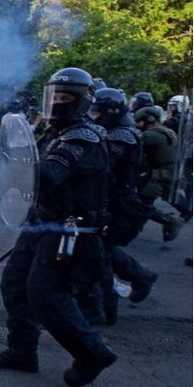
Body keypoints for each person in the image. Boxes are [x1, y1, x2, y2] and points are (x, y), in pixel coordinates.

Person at [0, 67, 116, 386]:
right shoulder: (56, 133)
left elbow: (48, 175)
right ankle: (22, 352)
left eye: (65, 97)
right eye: (53, 95)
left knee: (46, 294)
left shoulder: (84, 137)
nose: (57, 102)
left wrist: (11, 167)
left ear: (82, 100)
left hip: (69, 230)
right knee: (14, 284)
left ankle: (91, 352)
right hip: (42, 223)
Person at [75, 88, 156, 325]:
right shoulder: (115, 131)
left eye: (97, 112)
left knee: (99, 254)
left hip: (118, 203)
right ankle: (139, 276)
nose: (94, 116)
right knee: (102, 249)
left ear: (110, 110)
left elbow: (99, 164)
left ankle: (106, 309)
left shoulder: (122, 136)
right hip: (106, 199)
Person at [134, 106, 187, 241]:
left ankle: (170, 221)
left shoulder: (150, 135)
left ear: (148, 120)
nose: (136, 124)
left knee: (141, 202)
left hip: (161, 174)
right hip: (171, 172)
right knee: (170, 196)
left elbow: (133, 154)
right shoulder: (166, 131)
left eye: (139, 121)